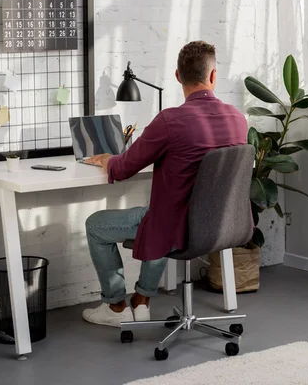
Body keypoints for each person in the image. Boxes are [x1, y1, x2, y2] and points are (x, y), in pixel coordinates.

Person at [82, 41, 248, 327]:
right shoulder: (238, 119)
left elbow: (122, 169)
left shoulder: (170, 121)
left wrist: (108, 159)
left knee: (98, 224)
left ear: (177, 77)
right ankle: (142, 300)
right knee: (159, 213)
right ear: (213, 77)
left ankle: (116, 306)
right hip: (223, 225)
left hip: (177, 229)